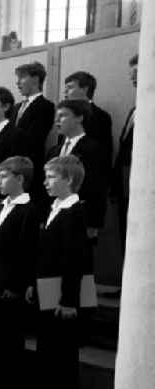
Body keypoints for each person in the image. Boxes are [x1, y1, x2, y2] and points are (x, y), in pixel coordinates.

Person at [36, 155, 91, 389]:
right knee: (48, 348)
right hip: (47, 287)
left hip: (63, 293)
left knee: (62, 353)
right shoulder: (54, 207)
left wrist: (69, 300)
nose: (45, 182)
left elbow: (75, 259)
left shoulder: (75, 212)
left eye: (51, 177)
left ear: (69, 180)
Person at [0, 157, 39, 389]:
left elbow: (27, 251)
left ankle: (11, 387)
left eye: (4, 176)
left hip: (11, 285)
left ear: (19, 179)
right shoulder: (0, 207)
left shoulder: (29, 209)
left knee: (12, 338)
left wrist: (16, 285)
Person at [46, 100, 105, 242]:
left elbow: (98, 187)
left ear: (79, 118)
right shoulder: (54, 151)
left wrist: (93, 223)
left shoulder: (93, 149)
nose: (57, 120)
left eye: (63, 116)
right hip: (53, 215)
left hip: (79, 217)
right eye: (56, 116)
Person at [11, 62, 55, 201]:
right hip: (11, 166)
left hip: (30, 167)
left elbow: (34, 138)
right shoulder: (16, 107)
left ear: (36, 79)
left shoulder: (45, 106)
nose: (17, 82)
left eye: (22, 78)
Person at [112, 54, 137, 255]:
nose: (133, 78)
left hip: (141, 182)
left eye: (137, 72)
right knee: (125, 232)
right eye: (131, 74)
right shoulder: (134, 110)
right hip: (125, 181)